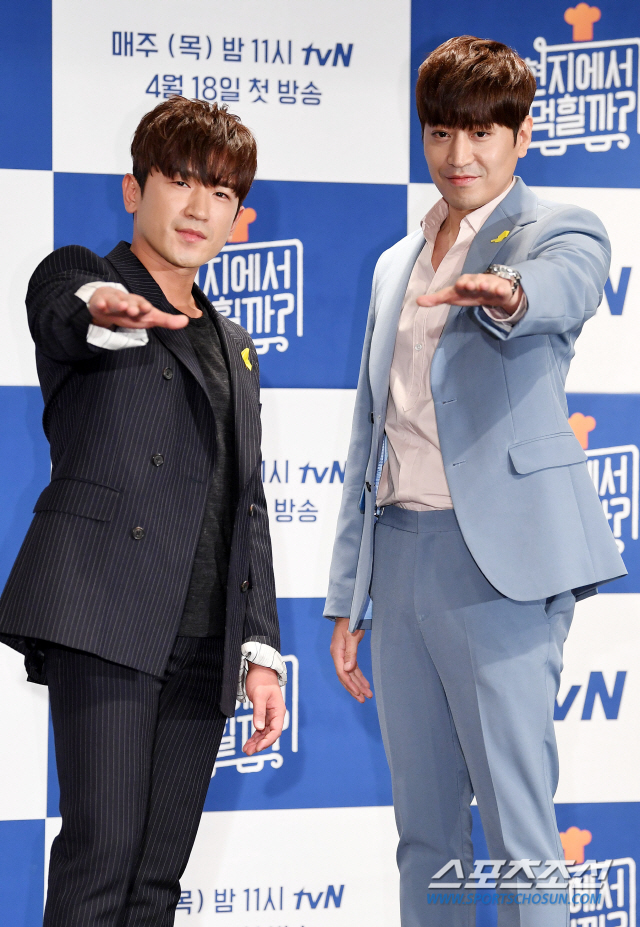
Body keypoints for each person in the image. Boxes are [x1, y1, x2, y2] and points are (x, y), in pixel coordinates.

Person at [325, 36, 625, 927]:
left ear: (522, 135)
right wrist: (349, 593)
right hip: (399, 557)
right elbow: (369, 432)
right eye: (441, 132)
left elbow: (566, 286)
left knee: (520, 835)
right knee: (424, 834)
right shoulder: (395, 263)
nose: (459, 154)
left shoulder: (560, 230)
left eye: (483, 131)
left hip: (499, 566)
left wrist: (508, 292)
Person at [0, 96, 286, 927]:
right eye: (180, 181)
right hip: (108, 616)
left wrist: (260, 648)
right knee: (101, 861)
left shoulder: (236, 344)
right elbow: (62, 305)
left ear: (239, 215)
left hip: (204, 640)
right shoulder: (82, 275)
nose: (199, 207)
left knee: (156, 881)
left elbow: (247, 499)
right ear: (135, 190)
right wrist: (102, 305)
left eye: (221, 192)